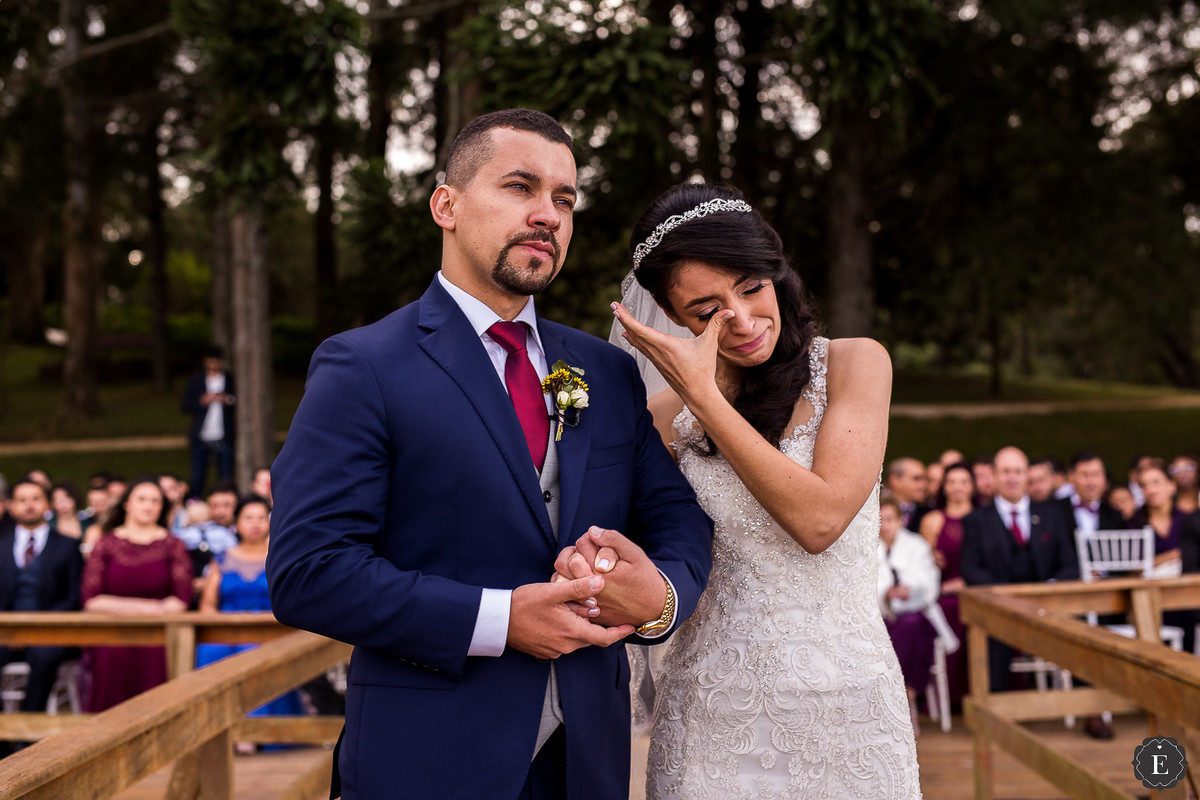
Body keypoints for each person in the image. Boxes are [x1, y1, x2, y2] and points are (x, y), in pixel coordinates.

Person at [266, 109, 713, 800]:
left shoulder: (606, 370)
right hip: (427, 764)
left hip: (587, 763)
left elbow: (679, 520)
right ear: (446, 205)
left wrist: (659, 599)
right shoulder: (363, 366)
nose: (548, 215)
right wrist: (500, 621)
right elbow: (309, 572)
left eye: (564, 199)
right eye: (520, 187)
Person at [607, 182, 919, 797]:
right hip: (711, 717)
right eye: (707, 310)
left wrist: (704, 398)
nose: (743, 321)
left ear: (776, 273)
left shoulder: (855, 364)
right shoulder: (660, 420)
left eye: (752, 287)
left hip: (851, 711)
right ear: (671, 316)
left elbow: (820, 521)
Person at [960, 446, 1078, 692]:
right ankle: (996, 707)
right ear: (994, 475)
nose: (1012, 477)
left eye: (1017, 471)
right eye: (1006, 471)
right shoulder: (976, 521)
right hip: (998, 610)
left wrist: (1049, 591)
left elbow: (1069, 563)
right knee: (990, 638)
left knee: (1079, 630)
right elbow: (970, 569)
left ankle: (1086, 704)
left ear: (1027, 475)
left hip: (1048, 608)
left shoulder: (1052, 515)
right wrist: (1003, 595)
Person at [196, 495, 302, 740]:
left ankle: (253, 733)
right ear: (237, 522)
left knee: (252, 649)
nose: (255, 523)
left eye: (261, 518)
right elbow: (208, 604)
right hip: (225, 630)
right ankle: (213, 732)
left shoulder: (280, 557)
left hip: (270, 629)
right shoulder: (221, 560)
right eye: (248, 518)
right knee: (209, 651)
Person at [81, 478, 192, 712]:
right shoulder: (106, 544)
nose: (148, 506)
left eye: (155, 501)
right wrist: (148, 608)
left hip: (158, 635)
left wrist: (155, 613)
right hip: (112, 633)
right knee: (110, 659)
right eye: (142, 499)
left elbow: (182, 598)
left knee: (157, 666)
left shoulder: (173, 545)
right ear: (127, 504)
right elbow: (91, 599)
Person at [0, 481, 84, 713]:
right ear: (11, 506)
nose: (29, 505)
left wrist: (36, 628)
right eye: (22, 500)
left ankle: (28, 724)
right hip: (6, 632)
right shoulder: (1, 546)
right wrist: (10, 629)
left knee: (44, 657)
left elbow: (74, 596)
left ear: (47, 505)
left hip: (51, 632)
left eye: (36, 499)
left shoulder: (68, 546)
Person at [877, 497, 942, 737]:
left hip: (916, 615)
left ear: (900, 520)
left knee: (911, 626)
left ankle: (903, 692)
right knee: (879, 633)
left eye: (889, 519)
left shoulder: (916, 545)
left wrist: (908, 589)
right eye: (880, 520)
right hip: (880, 615)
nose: (885, 526)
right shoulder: (866, 547)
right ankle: (897, 693)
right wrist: (885, 593)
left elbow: (930, 583)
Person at [918, 461, 976, 709]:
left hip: (977, 589)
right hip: (943, 590)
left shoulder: (984, 517)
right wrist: (933, 559)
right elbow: (921, 563)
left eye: (963, 481)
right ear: (944, 487)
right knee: (950, 608)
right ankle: (949, 695)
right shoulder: (932, 520)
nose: (957, 487)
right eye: (952, 482)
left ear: (972, 486)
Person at [181, 347, 236, 499]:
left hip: (224, 435)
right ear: (205, 362)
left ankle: (226, 503)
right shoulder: (196, 380)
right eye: (211, 362)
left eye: (217, 362)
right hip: (201, 435)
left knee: (225, 475)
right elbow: (185, 405)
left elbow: (237, 401)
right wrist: (202, 401)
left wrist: (227, 399)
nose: (214, 365)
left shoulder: (229, 379)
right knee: (198, 476)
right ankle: (195, 502)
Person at [885, 456, 930, 531]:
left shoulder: (927, 511)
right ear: (895, 480)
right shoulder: (875, 507)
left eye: (925, 479)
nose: (923, 485)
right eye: (916, 478)